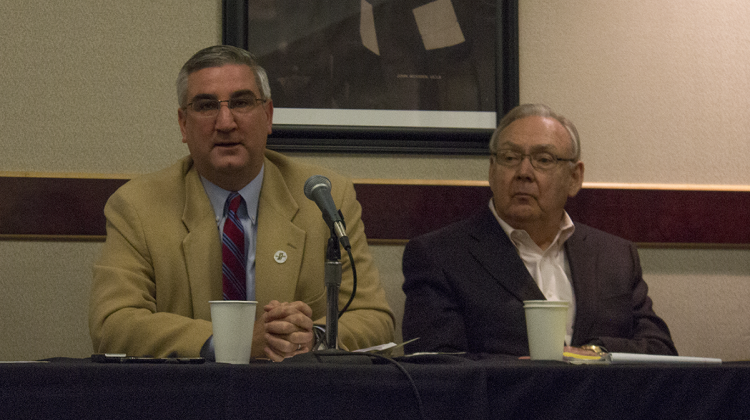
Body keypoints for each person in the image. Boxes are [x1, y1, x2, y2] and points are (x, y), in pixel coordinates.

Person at [89, 45, 394, 362]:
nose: (225, 122)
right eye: (206, 106)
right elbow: (113, 324)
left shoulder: (323, 198)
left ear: (268, 115)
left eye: (242, 103)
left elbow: (373, 317)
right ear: (183, 124)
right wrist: (230, 342)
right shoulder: (137, 205)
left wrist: (314, 338)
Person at [401, 103, 677, 357]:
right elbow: (437, 367)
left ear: (574, 178)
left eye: (543, 160)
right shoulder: (439, 256)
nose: (524, 172)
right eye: (510, 157)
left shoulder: (615, 256)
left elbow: (660, 349)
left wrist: (594, 352)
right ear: (491, 169)